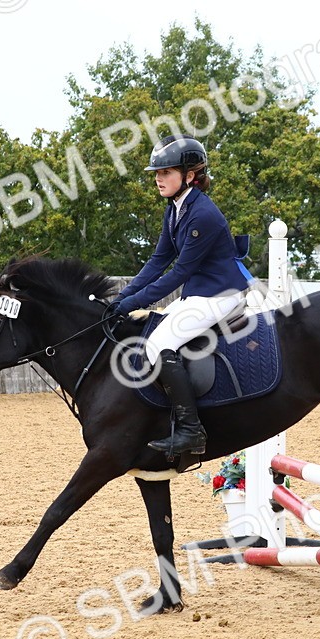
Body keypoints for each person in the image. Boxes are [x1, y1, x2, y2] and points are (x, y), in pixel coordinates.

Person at [107, 135, 251, 456]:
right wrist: (123, 296)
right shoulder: (174, 208)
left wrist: (133, 303)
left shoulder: (203, 214)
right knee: (150, 333)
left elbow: (179, 272)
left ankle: (191, 430)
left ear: (189, 176)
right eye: (157, 173)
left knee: (159, 345)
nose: (158, 179)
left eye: (166, 172)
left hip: (221, 294)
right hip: (199, 293)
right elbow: (159, 260)